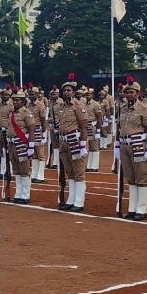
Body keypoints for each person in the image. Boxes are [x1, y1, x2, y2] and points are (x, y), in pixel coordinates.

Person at [117, 78, 147, 220]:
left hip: (138, 144)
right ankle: (132, 208)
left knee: (142, 176)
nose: (129, 95)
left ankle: (141, 209)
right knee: (130, 177)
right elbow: (119, 127)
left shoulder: (143, 108)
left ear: (138, 93)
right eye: (127, 93)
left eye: (132, 92)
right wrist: (116, 146)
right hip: (124, 145)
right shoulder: (122, 108)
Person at [53, 74, 90, 212]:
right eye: (65, 91)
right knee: (70, 172)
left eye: (69, 90)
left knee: (78, 172)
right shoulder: (61, 106)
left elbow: (84, 126)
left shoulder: (79, 105)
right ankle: (71, 199)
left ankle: (79, 202)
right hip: (63, 142)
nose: (66, 92)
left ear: (74, 92)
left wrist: (82, 145)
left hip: (75, 141)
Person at [7, 89, 39, 204]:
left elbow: (31, 130)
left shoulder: (26, 113)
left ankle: (25, 194)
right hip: (12, 144)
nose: (15, 102)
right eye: (14, 100)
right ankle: (18, 193)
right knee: (16, 170)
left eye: (17, 100)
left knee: (24, 170)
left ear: (23, 101)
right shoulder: (11, 114)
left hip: (22, 144)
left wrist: (31, 147)